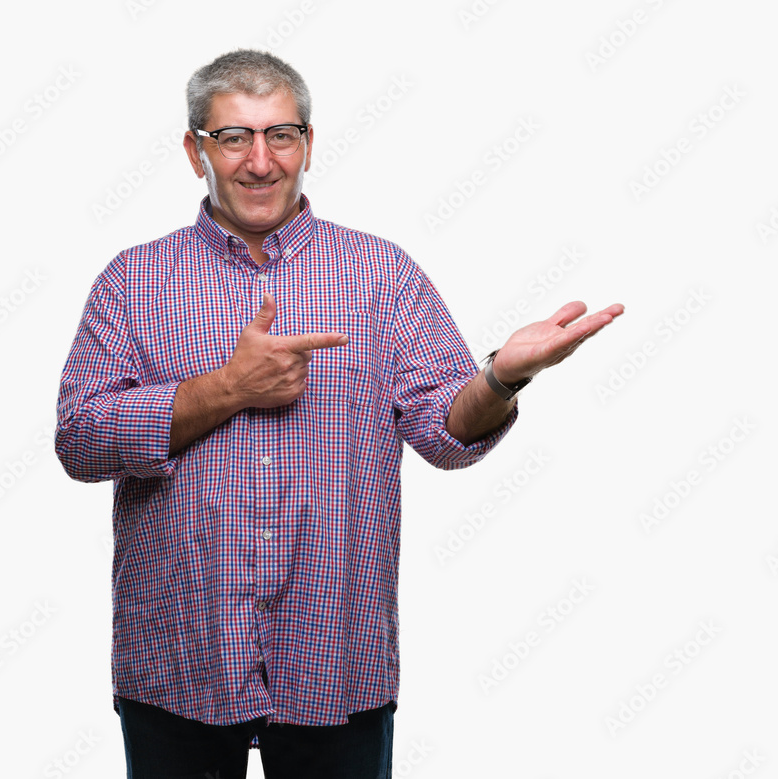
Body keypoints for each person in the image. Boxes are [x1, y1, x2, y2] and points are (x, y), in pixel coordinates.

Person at [55, 48, 624, 779]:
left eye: (281, 134)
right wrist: (230, 386)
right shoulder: (130, 282)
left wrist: (502, 377)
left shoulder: (382, 275)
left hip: (335, 653)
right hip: (180, 654)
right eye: (234, 137)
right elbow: (79, 440)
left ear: (309, 144)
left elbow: (444, 431)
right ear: (196, 150)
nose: (260, 161)